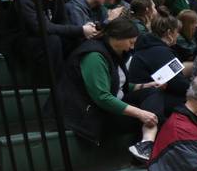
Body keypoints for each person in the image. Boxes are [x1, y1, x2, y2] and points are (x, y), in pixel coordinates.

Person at [58, 18, 165, 161]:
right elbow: (102, 96)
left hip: (112, 101)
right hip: (90, 113)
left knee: (153, 93)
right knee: (154, 116)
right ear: (117, 38)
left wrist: (143, 86)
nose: (132, 47)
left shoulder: (114, 52)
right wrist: (140, 113)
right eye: (130, 42)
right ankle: (145, 146)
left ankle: (146, 142)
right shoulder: (94, 55)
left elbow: (117, 84)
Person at [15, 0, 98, 77]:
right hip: (21, 40)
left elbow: (63, 22)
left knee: (74, 39)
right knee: (53, 40)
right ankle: (55, 83)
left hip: (40, 40)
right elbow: (40, 27)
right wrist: (81, 30)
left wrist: (83, 31)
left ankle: (74, 79)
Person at [128, 14, 190, 112]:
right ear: (169, 33)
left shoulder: (149, 46)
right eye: (177, 32)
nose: (178, 35)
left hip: (143, 97)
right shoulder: (161, 52)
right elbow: (177, 83)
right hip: (148, 100)